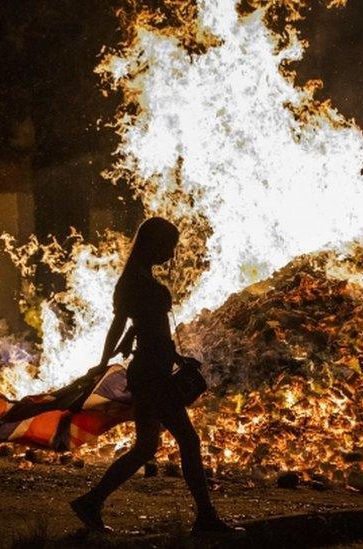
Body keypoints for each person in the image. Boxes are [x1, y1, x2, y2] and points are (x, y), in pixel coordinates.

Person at [70, 217, 238, 535]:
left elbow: (141, 329)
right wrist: (103, 360)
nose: (172, 255)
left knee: (146, 447)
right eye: (169, 246)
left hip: (152, 370)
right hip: (151, 375)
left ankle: (91, 502)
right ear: (153, 244)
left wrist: (175, 357)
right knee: (188, 441)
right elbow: (120, 325)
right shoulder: (135, 280)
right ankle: (205, 517)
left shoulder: (141, 276)